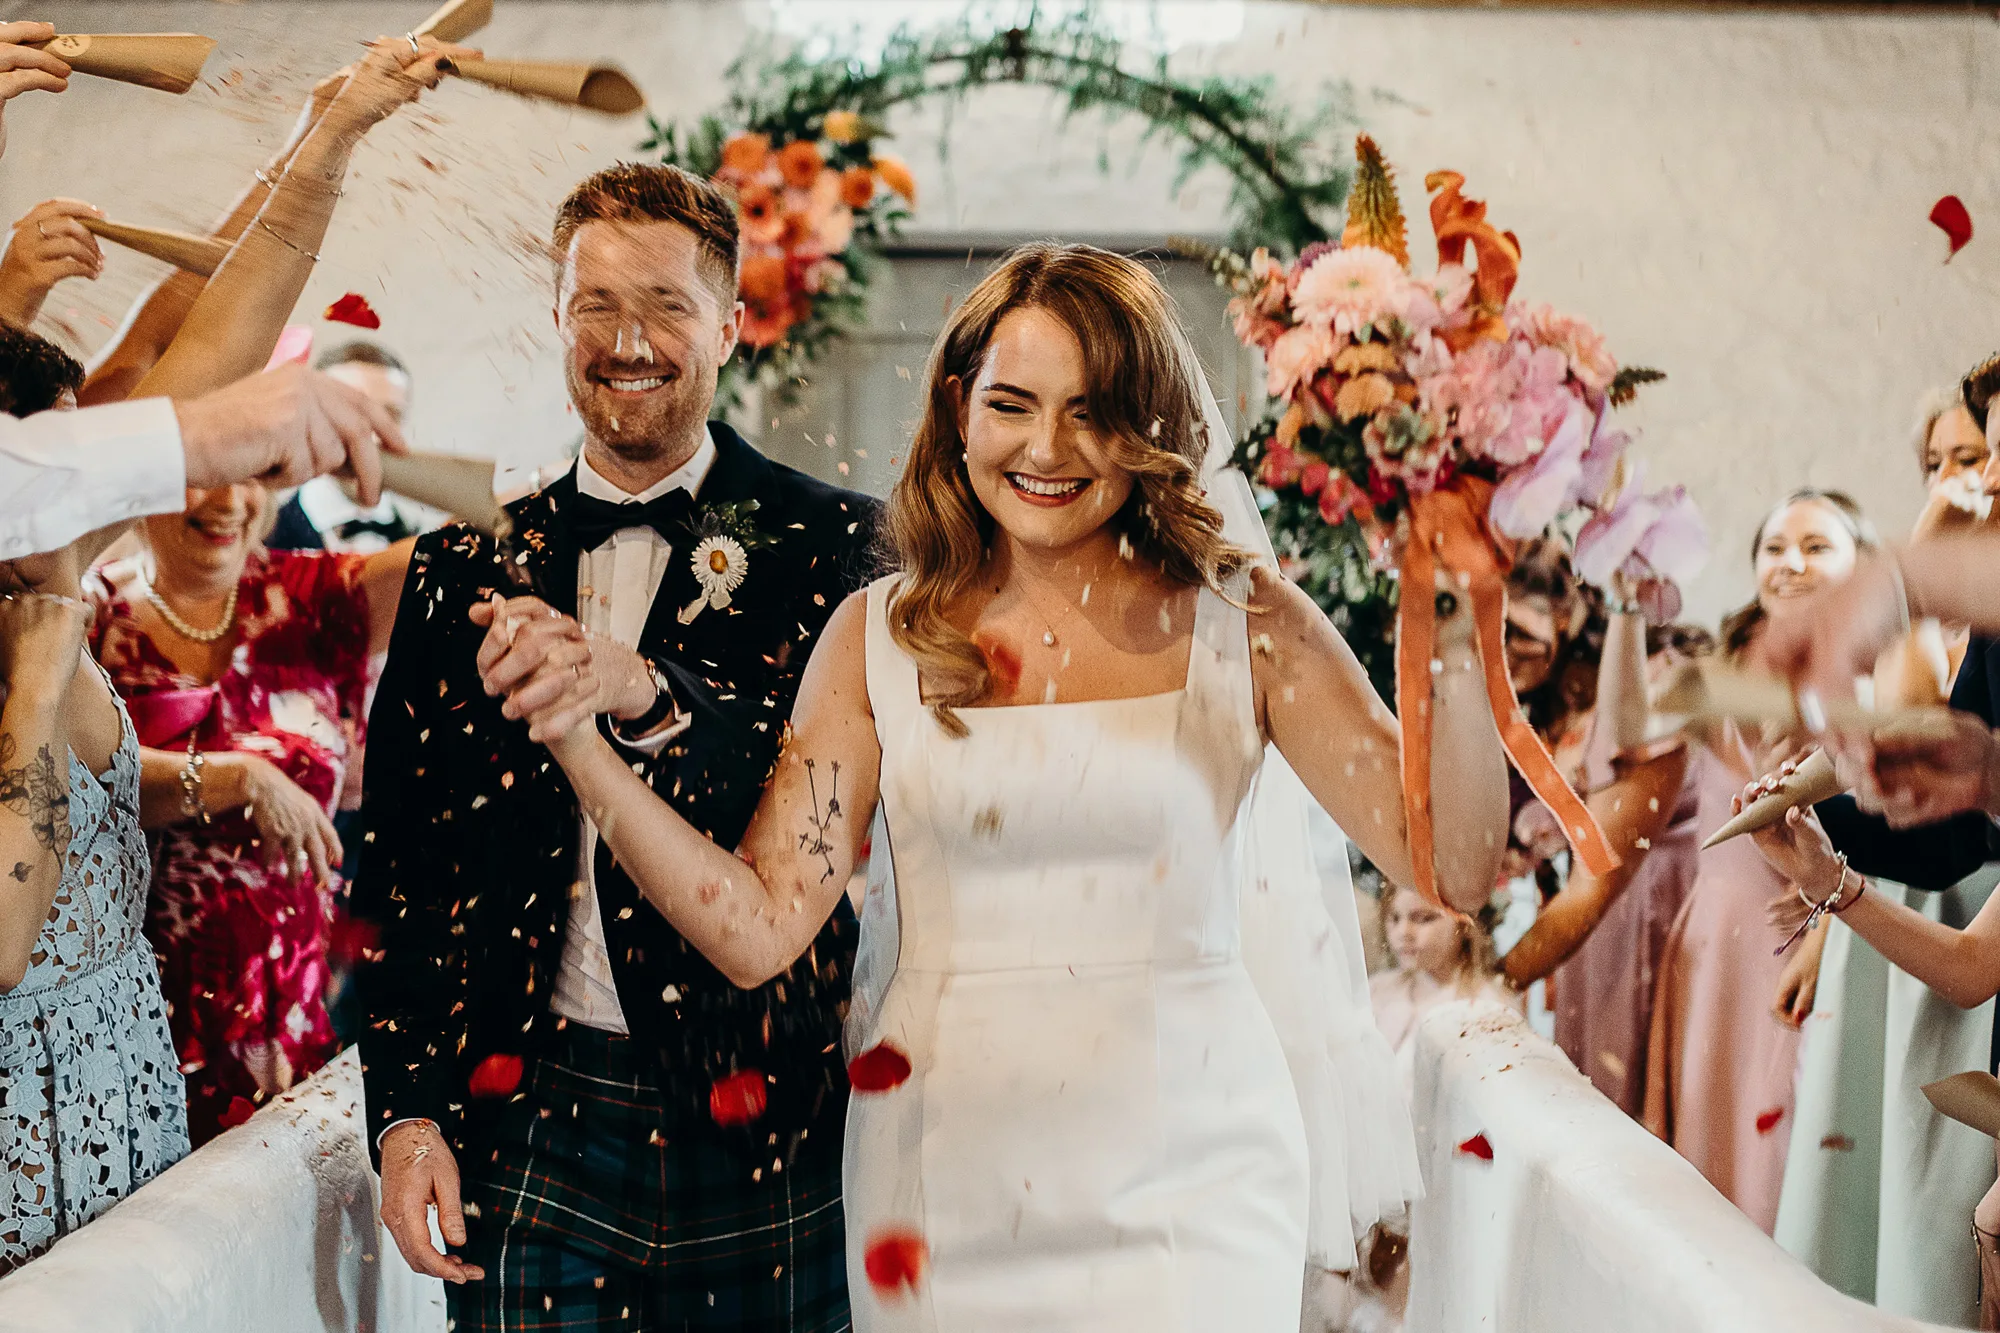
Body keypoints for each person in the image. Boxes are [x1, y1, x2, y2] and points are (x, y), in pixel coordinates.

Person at [480, 242, 1506, 1329]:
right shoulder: (875, 636)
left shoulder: (1246, 623)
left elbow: (1452, 865)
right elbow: (756, 926)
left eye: (1093, 411)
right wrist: (584, 751)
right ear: (959, 406)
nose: (1047, 448)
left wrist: (1454, 616)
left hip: (1195, 1173)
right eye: (1012, 404)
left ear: (1148, 427)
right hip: (941, 1170)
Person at [356, 163, 879, 1332]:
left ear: (732, 326)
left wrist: (648, 688)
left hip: (773, 1115)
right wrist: (407, 1114)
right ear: (556, 320)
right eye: (595, 304)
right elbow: (398, 863)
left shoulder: (837, 544)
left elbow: (830, 791)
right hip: (529, 1109)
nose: (627, 339)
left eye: (666, 304)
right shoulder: (460, 568)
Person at [1642, 489, 1875, 1233]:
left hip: (1809, 942)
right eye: (1775, 547)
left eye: (1816, 547)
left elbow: (1882, 838)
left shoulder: (1872, 675)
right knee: (1705, 1153)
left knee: (1784, 1157)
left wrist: (1827, 935)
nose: (1791, 563)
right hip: (1714, 942)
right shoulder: (1715, 669)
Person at [0, 561, 187, 1271]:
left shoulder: (47, 577)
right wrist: (39, 681)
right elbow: (5, 944)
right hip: (24, 1169)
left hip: (132, 1109)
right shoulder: (36, 637)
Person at [1493, 540, 1707, 1118]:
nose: (1504, 652)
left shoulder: (1657, 678)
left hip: (1667, 912)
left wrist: (1490, 980)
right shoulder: (1540, 712)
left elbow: (1613, 842)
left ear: (1566, 614)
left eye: (1516, 630)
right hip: (1585, 930)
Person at [268, 343, 435, 554]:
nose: (371, 436)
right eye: (350, 413)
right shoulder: (266, 538)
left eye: (390, 417)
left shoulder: (419, 541)